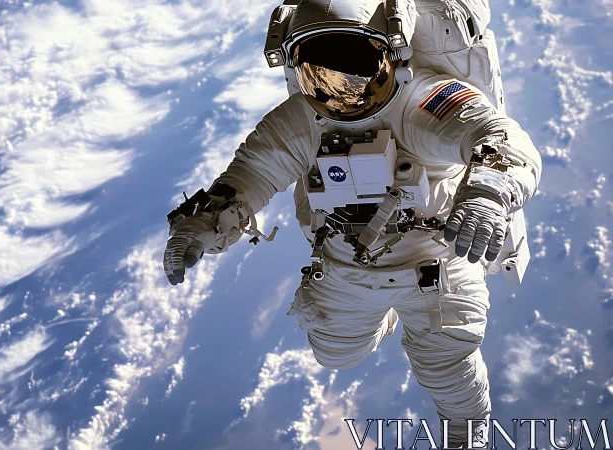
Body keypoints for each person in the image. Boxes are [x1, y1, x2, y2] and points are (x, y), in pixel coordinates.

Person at [163, 0, 542, 447]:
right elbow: (249, 176)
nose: (342, 92)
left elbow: (502, 139)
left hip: (437, 261)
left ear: (393, 56)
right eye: (319, 75)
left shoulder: (426, 100)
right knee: (334, 353)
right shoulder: (304, 118)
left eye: (357, 72)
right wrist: (198, 227)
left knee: (449, 370)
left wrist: (486, 196)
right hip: (346, 266)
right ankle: (382, 318)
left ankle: (468, 436)